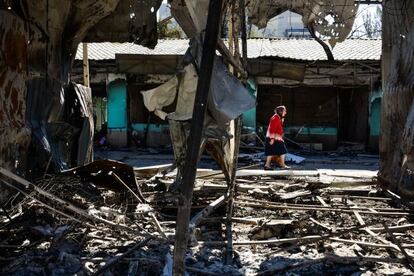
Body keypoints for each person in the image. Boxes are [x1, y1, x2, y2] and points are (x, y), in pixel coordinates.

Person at [264, 105, 290, 170]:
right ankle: (282, 165)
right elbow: (272, 129)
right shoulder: (275, 118)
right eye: (285, 111)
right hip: (274, 138)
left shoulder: (277, 117)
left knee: (271, 151)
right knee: (282, 151)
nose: (285, 112)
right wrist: (272, 139)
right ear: (281, 112)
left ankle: (267, 165)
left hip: (276, 138)